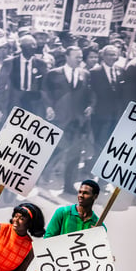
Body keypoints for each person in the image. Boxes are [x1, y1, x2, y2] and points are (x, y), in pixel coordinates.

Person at [43, 46, 92, 194]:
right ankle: (42, 176)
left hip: (77, 121)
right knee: (53, 150)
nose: (80, 59)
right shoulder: (53, 74)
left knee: (75, 153)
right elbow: (45, 92)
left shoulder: (86, 74)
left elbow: (90, 94)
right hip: (59, 119)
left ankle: (69, 184)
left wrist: (90, 106)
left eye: (81, 56)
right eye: (77, 56)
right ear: (67, 56)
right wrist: (48, 107)